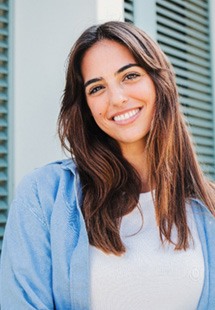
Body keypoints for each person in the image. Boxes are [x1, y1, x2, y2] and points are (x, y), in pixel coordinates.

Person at [0, 20, 215, 310]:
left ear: (158, 82)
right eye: (97, 87)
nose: (117, 98)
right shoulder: (43, 196)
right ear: (86, 106)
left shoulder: (207, 207)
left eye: (129, 76)